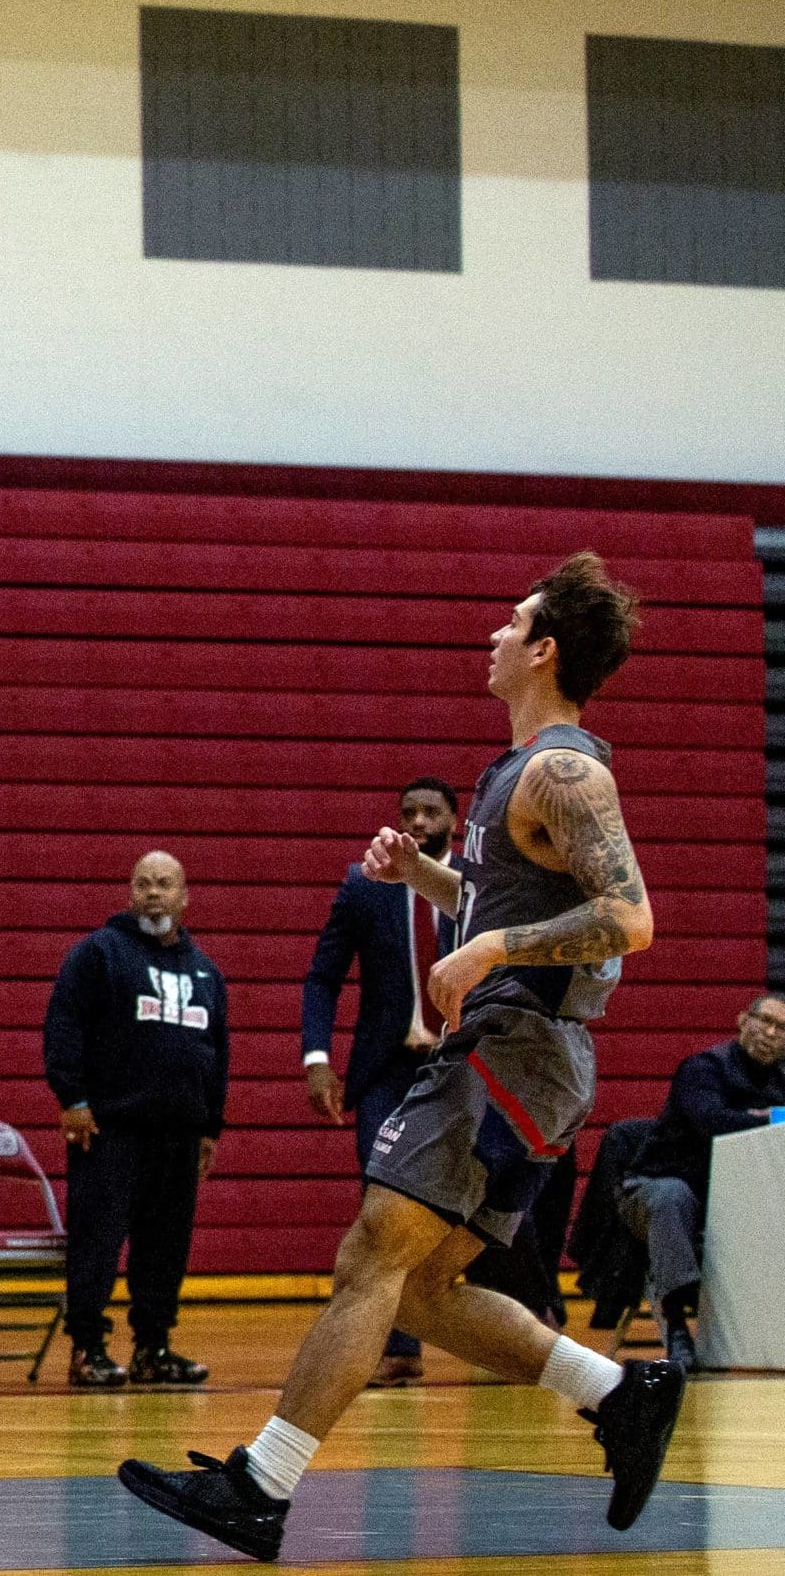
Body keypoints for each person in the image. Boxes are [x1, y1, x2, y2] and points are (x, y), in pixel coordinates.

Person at [121, 553, 685, 1561]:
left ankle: (262, 1484)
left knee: (370, 1252)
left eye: (510, 624)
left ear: (544, 649)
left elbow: (628, 916)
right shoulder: (511, 772)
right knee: (422, 1289)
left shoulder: (565, 768)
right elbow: (514, 898)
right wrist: (429, 877)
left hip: (518, 1045)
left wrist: (490, 948)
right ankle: (619, 1393)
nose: (492, 637)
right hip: (520, 1051)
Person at [43, 851, 226, 1389]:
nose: (153, 894)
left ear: (184, 896)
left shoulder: (206, 972)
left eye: (164, 885)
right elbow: (64, 1028)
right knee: (97, 1241)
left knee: (166, 1245)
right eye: (143, 883)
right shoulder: (99, 955)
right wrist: (71, 1097)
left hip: (180, 1132)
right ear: (129, 893)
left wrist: (210, 1126)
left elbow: (217, 1051)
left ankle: (154, 1346)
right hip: (110, 1129)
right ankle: (88, 1348)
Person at [301, 777, 460, 1387]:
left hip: (458, 1064)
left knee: (477, 1195)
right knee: (382, 1194)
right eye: (408, 812)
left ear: (454, 819)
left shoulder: (474, 887)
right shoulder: (364, 884)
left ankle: (529, 1314)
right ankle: (398, 1345)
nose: (417, 821)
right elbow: (323, 978)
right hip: (388, 1069)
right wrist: (317, 1057)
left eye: (431, 812)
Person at [616, 989, 785, 1369]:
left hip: (730, 1202)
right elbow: (714, 1123)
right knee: (671, 1197)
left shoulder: (781, 1080)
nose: (772, 1033)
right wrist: (770, 1117)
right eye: (766, 1021)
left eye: (783, 1028)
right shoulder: (703, 1068)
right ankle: (677, 1325)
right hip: (653, 1189)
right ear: (744, 1021)